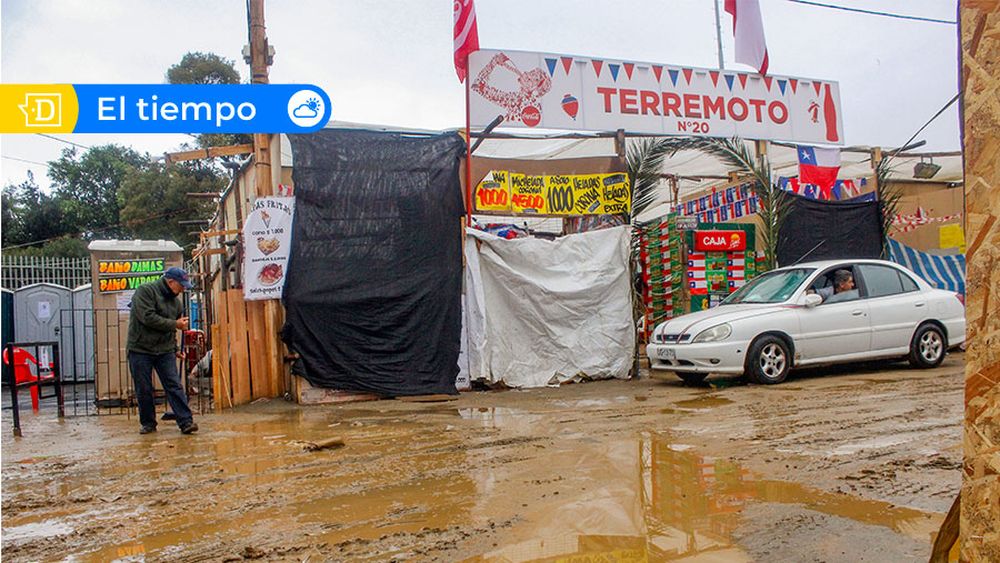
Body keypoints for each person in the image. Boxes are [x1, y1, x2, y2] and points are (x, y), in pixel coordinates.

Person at [126, 267, 198, 435]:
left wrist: (174, 348)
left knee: (174, 385)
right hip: (140, 348)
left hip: (164, 350)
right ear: (170, 281)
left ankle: (186, 422)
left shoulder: (176, 303)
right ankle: (148, 423)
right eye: (181, 286)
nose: (183, 289)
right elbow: (147, 317)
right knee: (143, 387)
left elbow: (171, 330)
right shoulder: (145, 291)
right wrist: (176, 324)